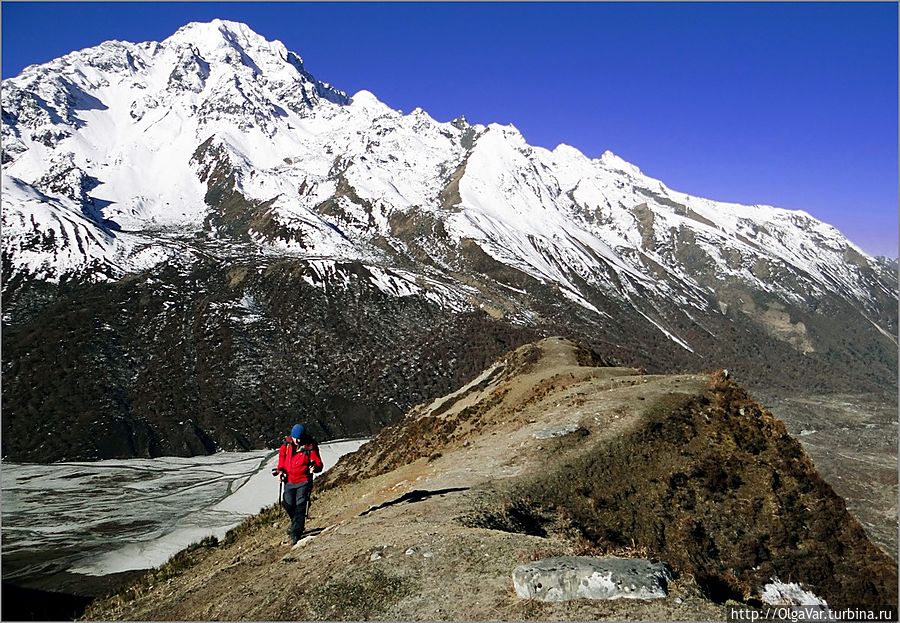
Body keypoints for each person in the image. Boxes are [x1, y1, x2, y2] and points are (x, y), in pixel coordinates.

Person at [273, 423, 323, 545]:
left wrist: (315, 468)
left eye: (300, 438)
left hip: (303, 480)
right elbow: (282, 461)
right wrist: (280, 472)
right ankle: (296, 524)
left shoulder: (310, 447)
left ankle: (296, 533)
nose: (298, 441)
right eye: (296, 438)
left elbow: (319, 463)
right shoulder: (286, 446)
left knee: (300, 505)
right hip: (289, 480)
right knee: (288, 503)